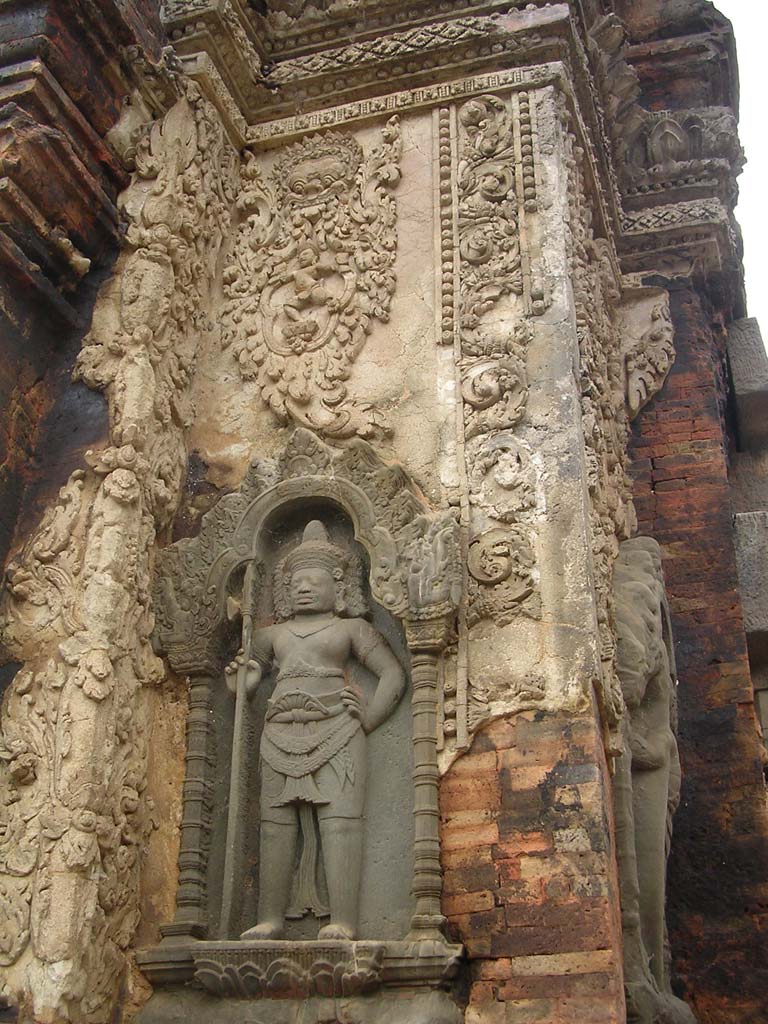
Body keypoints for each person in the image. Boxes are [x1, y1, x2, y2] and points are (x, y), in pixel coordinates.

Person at [226, 520, 405, 940]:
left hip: (338, 731)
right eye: (297, 582)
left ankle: (342, 920)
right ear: (285, 592)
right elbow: (243, 676)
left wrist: (369, 715)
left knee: (340, 822)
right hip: (279, 731)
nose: (304, 588)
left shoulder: (351, 629)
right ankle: (270, 919)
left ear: (340, 589)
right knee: (274, 826)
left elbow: (393, 675)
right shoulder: (270, 635)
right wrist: (245, 688)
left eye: (315, 580)